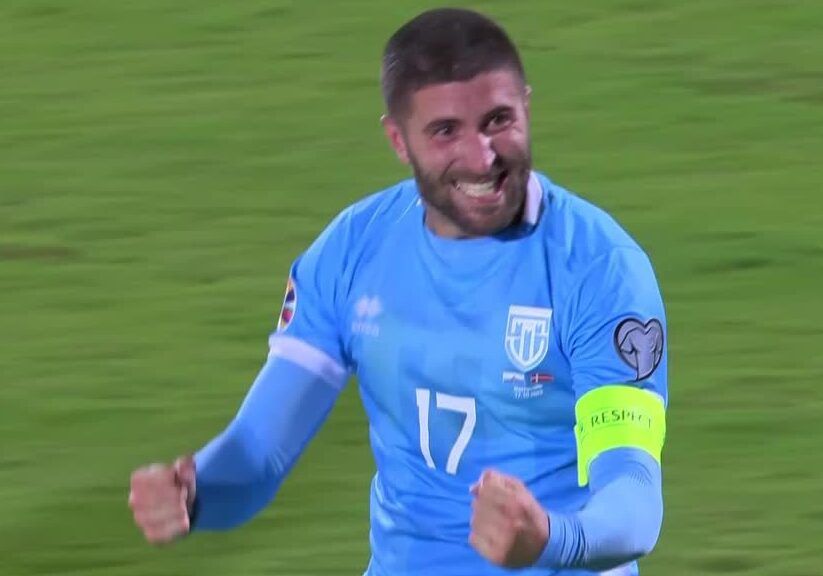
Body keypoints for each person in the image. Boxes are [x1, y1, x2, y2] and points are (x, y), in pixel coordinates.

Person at [128, 7, 669, 576]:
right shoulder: (352, 251)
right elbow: (260, 454)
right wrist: (195, 492)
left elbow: (635, 499)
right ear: (398, 139)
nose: (482, 157)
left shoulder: (599, 269)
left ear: (527, 107)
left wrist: (550, 539)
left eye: (498, 120)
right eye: (445, 132)